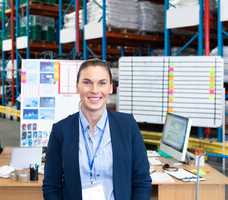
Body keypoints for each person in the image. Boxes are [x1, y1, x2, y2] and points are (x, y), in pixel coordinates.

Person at [42, 59, 152, 200]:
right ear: (77, 87)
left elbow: (142, 182)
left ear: (111, 87)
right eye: (87, 82)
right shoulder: (60, 131)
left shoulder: (128, 126)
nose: (94, 90)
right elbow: (51, 187)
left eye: (102, 83)